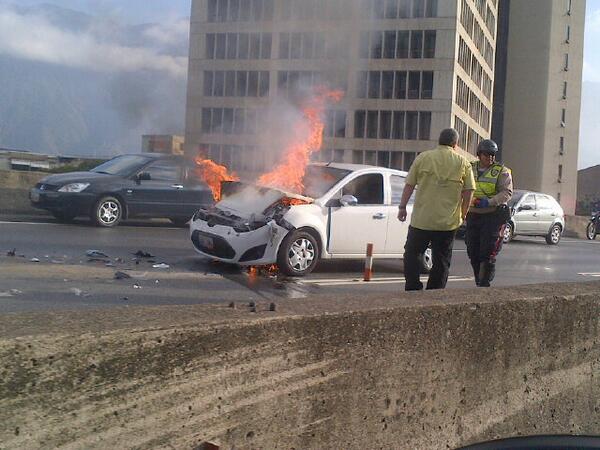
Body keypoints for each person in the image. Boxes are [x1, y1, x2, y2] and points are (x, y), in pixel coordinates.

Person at [397, 128, 475, 291]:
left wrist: (402, 207)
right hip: (447, 223)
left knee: (412, 254)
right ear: (455, 144)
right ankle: (435, 292)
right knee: (442, 259)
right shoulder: (463, 162)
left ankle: (413, 287)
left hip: (422, 220)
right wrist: (463, 213)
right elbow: (469, 191)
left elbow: (409, 185)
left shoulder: (423, 158)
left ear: (439, 141)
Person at [465, 139, 513, 287]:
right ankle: (478, 278)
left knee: (486, 251)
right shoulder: (469, 168)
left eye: (492, 154)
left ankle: (484, 281)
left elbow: (507, 192)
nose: (490, 158)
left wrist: (490, 201)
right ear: (479, 154)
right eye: (487, 154)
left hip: (491, 215)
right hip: (472, 214)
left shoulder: (501, 171)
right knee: (472, 251)